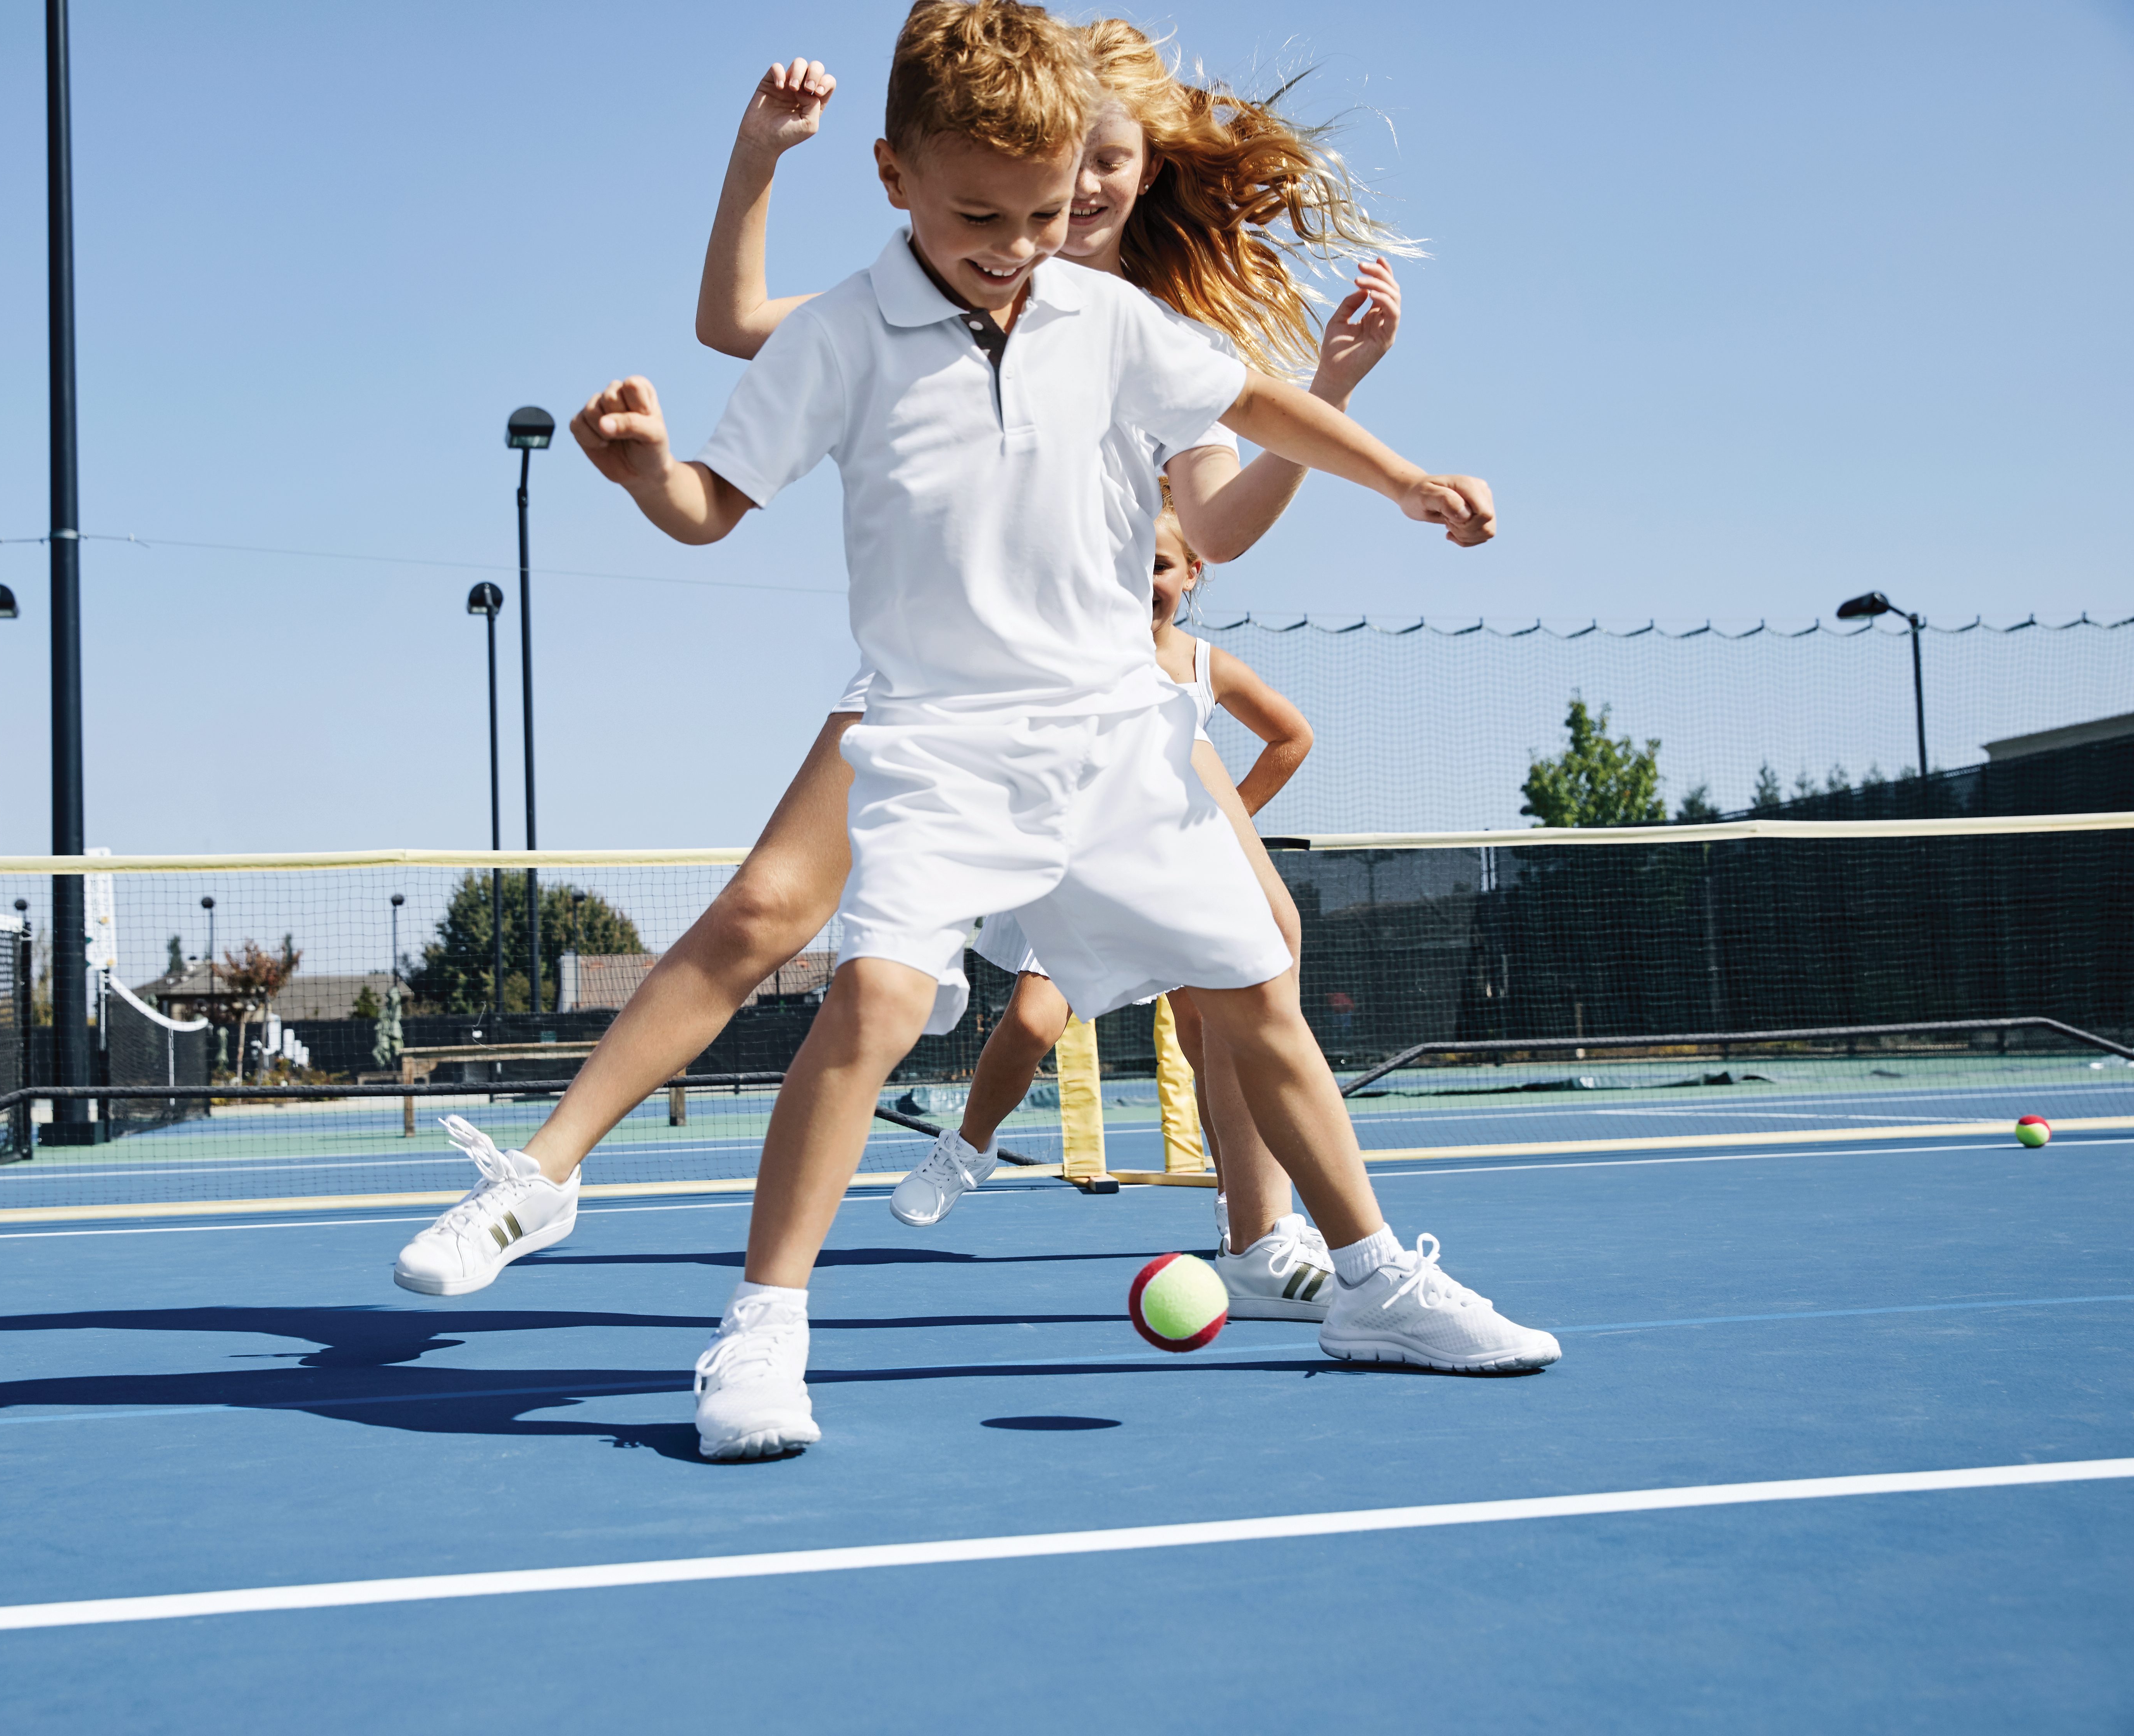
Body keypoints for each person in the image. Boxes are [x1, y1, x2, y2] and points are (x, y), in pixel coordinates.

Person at [576, 0, 1556, 1459]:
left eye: (1094, 175)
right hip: (938, 718)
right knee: (864, 994)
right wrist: (670, 431)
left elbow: (1242, 461)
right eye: (1028, 185)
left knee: (1259, 977)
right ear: (906, 176)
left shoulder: (1126, 322)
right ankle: (758, 1330)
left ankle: (1357, 1277)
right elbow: (732, 377)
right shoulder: (874, 314)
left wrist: (1395, 470)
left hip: (1115, 711)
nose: (1057, 209)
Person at [392, 26, 1403, 1300]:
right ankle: (541, 1178)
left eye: (1111, 161)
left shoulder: (1153, 336)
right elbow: (735, 325)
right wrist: (759, 159)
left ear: (1145, 172)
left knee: (1261, 941)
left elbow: (1220, 529)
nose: (1082, 186)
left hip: (1106, 695)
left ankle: (1263, 1236)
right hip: (939, 690)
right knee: (765, 910)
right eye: (1064, 157)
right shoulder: (904, 301)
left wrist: (1336, 401)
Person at [896, 499, 1339, 1326]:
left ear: (1193, 572)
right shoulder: (1074, 662)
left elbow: (1291, 737)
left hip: (1172, 869)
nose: (1143, 585)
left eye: (1161, 568)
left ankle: (1241, 1203)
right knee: (1032, 1021)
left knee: (1214, 1030)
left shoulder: (1204, 667)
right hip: (1081, 858)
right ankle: (968, 1149)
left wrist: (1219, 824)